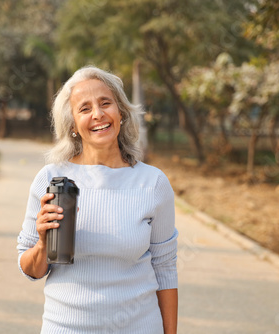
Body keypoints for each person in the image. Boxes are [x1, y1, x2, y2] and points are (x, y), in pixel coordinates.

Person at [17, 66, 178, 333]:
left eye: (106, 103)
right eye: (85, 108)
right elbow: (31, 269)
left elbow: (165, 270)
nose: (98, 114)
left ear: (121, 113)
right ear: (72, 126)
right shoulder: (50, 179)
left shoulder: (153, 183)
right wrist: (44, 243)